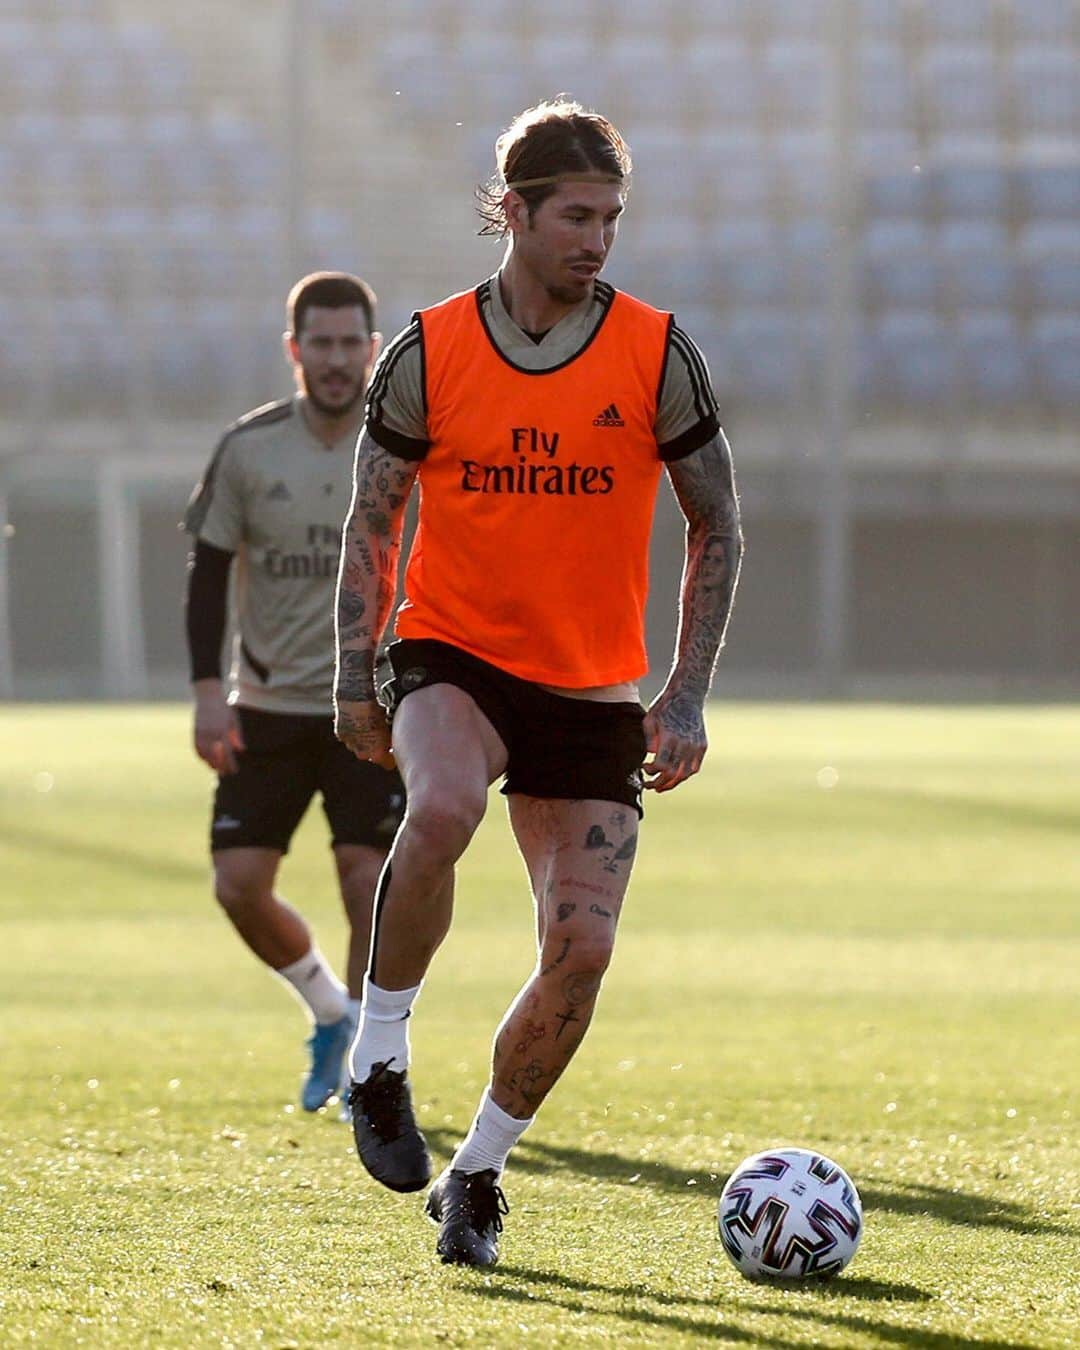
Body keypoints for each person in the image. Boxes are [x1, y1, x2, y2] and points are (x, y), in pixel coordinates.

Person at [334, 100, 743, 1266]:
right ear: (511, 212)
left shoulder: (656, 350)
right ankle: (379, 1055)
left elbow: (718, 522)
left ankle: (475, 1176)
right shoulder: (431, 348)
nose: (598, 240)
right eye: (576, 215)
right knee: (447, 805)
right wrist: (354, 679)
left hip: (590, 687)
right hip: (452, 650)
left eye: (612, 218)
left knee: (586, 950)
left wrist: (687, 689)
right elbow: (373, 518)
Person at [184, 272, 405, 1115]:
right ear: (295, 349)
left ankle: (367, 1070)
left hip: (368, 709)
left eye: (353, 343)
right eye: (322, 343)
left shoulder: (399, 446)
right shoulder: (249, 449)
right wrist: (209, 693)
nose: (338, 358)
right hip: (267, 706)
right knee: (237, 884)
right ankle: (329, 1010)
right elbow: (206, 577)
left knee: (367, 882)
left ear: (373, 349)